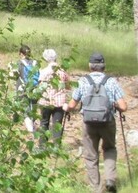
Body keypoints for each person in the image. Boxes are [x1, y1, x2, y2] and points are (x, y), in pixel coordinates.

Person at [64, 52, 128, 192]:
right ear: (104, 66)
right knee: (109, 149)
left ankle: (96, 189)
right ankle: (110, 180)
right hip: (108, 121)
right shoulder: (111, 81)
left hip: (88, 123)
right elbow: (123, 107)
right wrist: (114, 105)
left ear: (90, 66)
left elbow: (72, 104)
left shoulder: (83, 81)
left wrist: (66, 108)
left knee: (91, 155)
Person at [37, 48, 69, 146]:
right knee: (57, 125)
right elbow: (68, 86)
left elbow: (40, 87)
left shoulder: (44, 71)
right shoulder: (62, 72)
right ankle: (56, 147)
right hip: (59, 102)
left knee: (44, 123)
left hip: (46, 101)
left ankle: (42, 145)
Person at [15, 45, 39, 133]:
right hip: (34, 87)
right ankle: (33, 123)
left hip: (22, 87)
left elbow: (15, 75)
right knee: (33, 106)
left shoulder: (19, 63)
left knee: (25, 107)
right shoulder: (35, 63)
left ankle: (30, 128)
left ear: (21, 53)